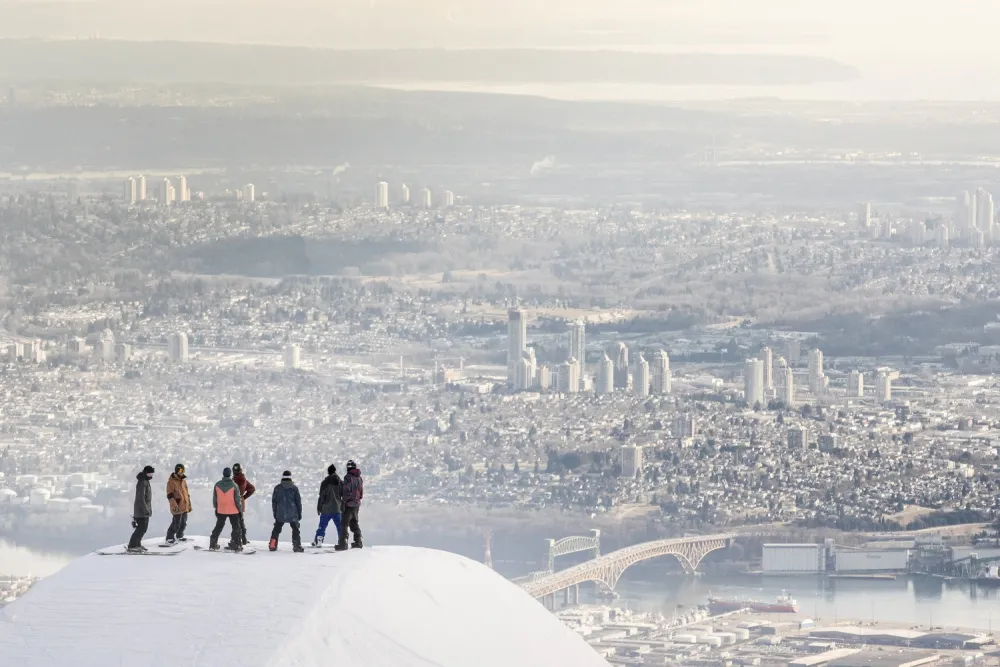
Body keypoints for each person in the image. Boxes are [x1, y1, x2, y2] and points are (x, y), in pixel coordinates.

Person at [209, 467, 244, 551]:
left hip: (221, 509)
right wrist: (240, 510)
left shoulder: (217, 485)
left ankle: (212, 544)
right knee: (236, 527)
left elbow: (215, 499)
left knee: (219, 526)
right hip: (233, 510)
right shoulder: (234, 485)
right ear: (230, 474)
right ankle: (235, 544)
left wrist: (216, 508)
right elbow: (237, 500)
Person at [270, 470, 304, 553]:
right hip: (293, 513)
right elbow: (298, 502)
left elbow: (274, 502)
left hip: (280, 513)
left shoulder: (277, 488)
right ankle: (297, 546)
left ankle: (272, 545)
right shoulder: (294, 488)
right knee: (295, 530)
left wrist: (275, 513)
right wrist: (299, 514)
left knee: (276, 529)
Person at [311, 464, 343, 547]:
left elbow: (321, 496)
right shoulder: (340, 482)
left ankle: (318, 540)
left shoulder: (324, 483)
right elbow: (344, 494)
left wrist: (319, 508)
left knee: (322, 526)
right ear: (335, 471)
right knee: (340, 527)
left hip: (326, 509)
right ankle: (342, 541)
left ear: (328, 472)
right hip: (337, 508)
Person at [337, 460, 363, 551]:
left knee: (344, 524)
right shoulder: (359, 478)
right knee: (354, 522)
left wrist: (344, 502)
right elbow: (361, 492)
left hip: (349, 504)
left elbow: (346, 491)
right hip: (356, 504)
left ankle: (343, 543)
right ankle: (358, 541)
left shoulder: (348, 477)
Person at [128, 465, 155, 553]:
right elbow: (140, 498)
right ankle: (132, 546)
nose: (151, 475)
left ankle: (137, 544)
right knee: (141, 528)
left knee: (143, 528)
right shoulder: (142, 482)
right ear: (146, 472)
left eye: (152, 473)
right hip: (141, 510)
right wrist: (145, 510)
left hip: (143, 510)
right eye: (150, 473)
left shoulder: (145, 481)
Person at [164, 463, 191, 545]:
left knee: (183, 522)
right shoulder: (171, 481)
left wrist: (189, 504)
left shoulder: (183, 481)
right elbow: (170, 495)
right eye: (179, 470)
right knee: (176, 523)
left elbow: (186, 493)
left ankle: (179, 536)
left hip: (184, 505)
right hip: (177, 506)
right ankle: (169, 537)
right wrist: (174, 505)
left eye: (182, 470)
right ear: (176, 471)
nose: (181, 472)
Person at [232, 463, 255, 546]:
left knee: (235, 522)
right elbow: (252, 489)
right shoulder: (243, 479)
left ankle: (236, 540)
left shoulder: (233, 480)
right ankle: (243, 539)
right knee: (240, 521)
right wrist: (243, 497)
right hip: (240, 502)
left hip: (233, 502)